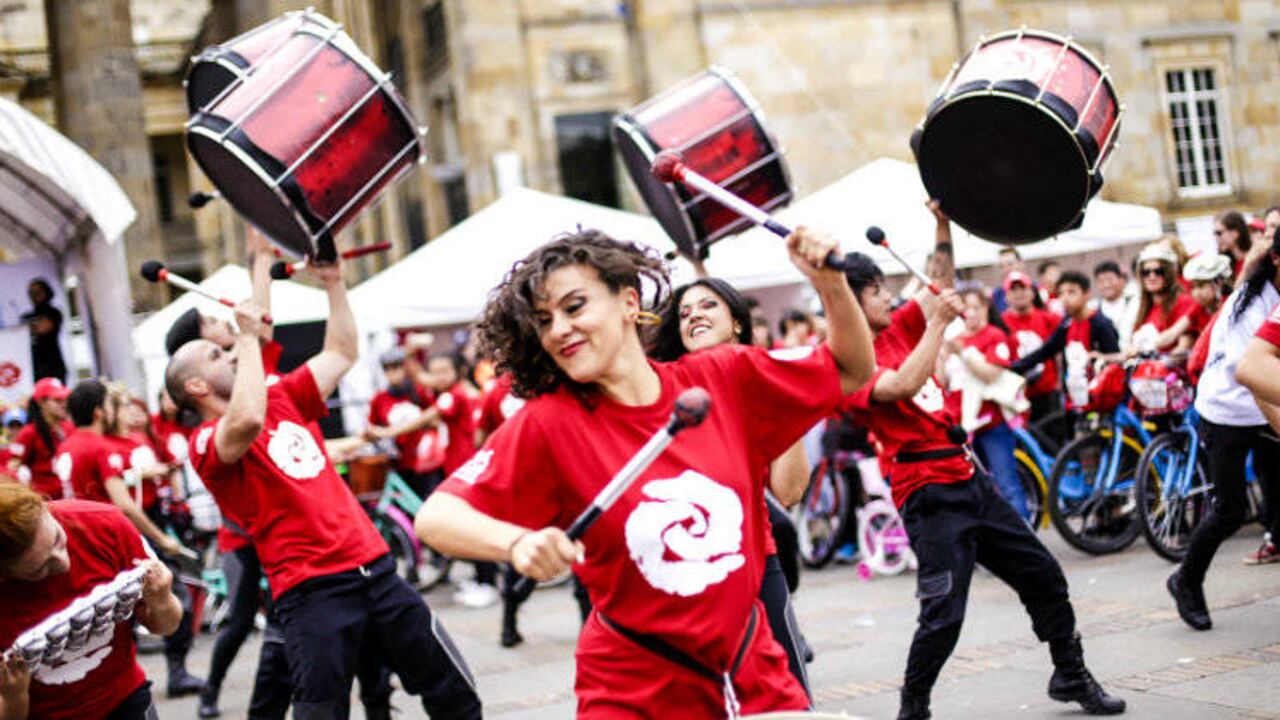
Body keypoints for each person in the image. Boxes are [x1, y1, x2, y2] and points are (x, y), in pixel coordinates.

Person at [415, 226, 875, 716]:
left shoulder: (720, 377)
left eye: (574, 307)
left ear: (629, 302)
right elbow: (436, 517)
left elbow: (850, 370)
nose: (559, 330)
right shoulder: (550, 422)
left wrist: (830, 286)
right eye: (544, 320)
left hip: (752, 677)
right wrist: (517, 543)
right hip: (635, 696)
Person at [164, 261, 480, 719]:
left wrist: (334, 284)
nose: (230, 353)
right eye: (216, 356)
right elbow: (246, 419)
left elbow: (342, 351)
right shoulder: (205, 441)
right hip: (313, 590)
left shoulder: (281, 397)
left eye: (228, 349)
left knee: (455, 692)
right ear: (195, 386)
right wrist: (249, 337)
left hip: (375, 567)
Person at [836, 253, 1124, 719]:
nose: (888, 296)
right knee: (943, 615)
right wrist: (937, 328)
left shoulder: (896, 327)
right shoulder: (849, 363)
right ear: (849, 302)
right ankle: (913, 709)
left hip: (968, 476)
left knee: (1043, 574)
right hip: (927, 495)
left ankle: (1070, 673)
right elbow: (903, 385)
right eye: (875, 291)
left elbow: (939, 279)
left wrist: (943, 220)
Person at [651, 276, 815, 697]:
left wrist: (785, 405)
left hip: (756, 566)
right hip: (683, 575)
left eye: (708, 306)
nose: (695, 316)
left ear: (737, 323)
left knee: (789, 699)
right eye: (685, 313)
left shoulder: (762, 379)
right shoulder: (663, 385)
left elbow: (790, 491)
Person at [52, 379, 203, 698]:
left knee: (114, 617)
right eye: (111, 405)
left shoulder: (67, 445)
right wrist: (162, 539)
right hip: (109, 543)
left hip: (80, 545)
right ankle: (170, 676)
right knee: (172, 601)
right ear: (98, 411)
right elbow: (122, 506)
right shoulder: (98, 447)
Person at [0, 482, 183, 719]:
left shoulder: (102, 523)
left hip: (124, 700)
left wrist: (161, 598)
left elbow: (168, 626)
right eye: (40, 569)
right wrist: (13, 696)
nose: (63, 562)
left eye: (58, 540)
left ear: (45, 507)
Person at [943, 288, 1027, 519]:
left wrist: (965, 353)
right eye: (965, 307)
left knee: (1006, 483)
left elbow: (991, 374)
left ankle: (1024, 535)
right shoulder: (953, 340)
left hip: (992, 424)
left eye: (976, 307)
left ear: (986, 308)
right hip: (961, 427)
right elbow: (943, 380)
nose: (970, 313)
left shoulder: (994, 335)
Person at [1010, 271, 1120, 413]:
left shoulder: (1100, 323)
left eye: (1071, 292)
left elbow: (1115, 362)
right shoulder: (1066, 324)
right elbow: (1046, 350)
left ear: (1086, 294)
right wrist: (1015, 367)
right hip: (1075, 399)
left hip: (1101, 402)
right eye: (1061, 293)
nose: (1065, 298)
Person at [365, 347, 446, 500]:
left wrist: (414, 424)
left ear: (404, 368)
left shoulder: (419, 391)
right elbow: (373, 429)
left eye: (396, 367)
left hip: (427, 460)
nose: (392, 373)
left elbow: (437, 419)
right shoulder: (379, 399)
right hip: (400, 462)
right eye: (387, 369)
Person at [1001, 271, 1064, 443]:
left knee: (1055, 441)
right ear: (1006, 296)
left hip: (1048, 392)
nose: (1019, 293)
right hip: (1019, 396)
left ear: (1032, 292)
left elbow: (1059, 352)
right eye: (1013, 290)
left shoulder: (1049, 318)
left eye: (1023, 288)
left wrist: (1060, 383)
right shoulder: (1001, 323)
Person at [1130, 243, 1202, 354]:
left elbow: (1184, 347)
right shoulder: (1143, 308)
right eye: (1146, 272)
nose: (1151, 276)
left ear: (1169, 273)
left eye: (1158, 272)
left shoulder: (1184, 302)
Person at [8, 379, 74, 500]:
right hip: (46, 502)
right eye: (57, 400)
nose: (64, 404)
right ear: (41, 402)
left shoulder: (70, 427)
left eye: (65, 399)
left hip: (72, 498)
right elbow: (12, 468)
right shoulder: (29, 433)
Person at [20, 279, 67, 384]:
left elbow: (42, 328)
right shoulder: (27, 316)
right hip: (33, 366)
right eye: (31, 292)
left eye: (38, 291)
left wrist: (26, 327)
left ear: (47, 291)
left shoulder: (54, 312)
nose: (34, 295)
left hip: (52, 364)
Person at [1091, 261, 1136, 347]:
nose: (1106, 285)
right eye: (1101, 281)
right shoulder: (1094, 308)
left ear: (1120, 280)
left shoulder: (1134, 303)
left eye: (1110, 280)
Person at [1214, 210, 1251, 281]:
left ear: (1236, 232)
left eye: (1219, 233)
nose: (1216, 238)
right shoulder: (1225, 266)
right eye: (1215, 234)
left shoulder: (1255, 260)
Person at [991, 247, 1027, 313]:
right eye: (1001, 266)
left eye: (1010, 264)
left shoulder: (1035, 289)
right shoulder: (996, 295)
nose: (1006, 270)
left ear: (1021, 264)